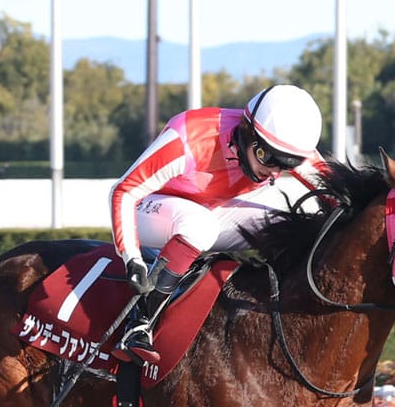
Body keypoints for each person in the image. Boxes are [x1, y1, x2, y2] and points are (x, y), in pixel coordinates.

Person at [109, 84, 328, 365]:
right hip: (150, 209)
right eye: (267, 158)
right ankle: (140, 324)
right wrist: (131, 257)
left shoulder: (278, 145)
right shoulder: (190, 138)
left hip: (210, 212)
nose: (273, 171)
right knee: (199, 226)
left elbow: (338, 193)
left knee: (284, 224)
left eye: (286, 165)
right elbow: (124, 191)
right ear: (247, 132)